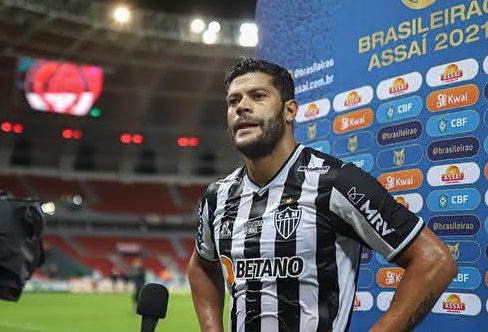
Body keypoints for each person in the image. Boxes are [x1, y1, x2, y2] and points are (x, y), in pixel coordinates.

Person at [188, 58, 457, 332]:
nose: (242, 106)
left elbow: (434, 260)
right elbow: (201, 265)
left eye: (258, 96)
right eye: (233, 101)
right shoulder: (217, 196)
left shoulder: (336, 182)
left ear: (289, 110)